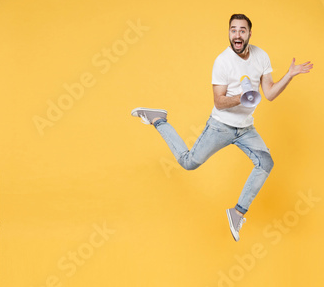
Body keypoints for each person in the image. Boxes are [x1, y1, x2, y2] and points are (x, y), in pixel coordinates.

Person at [131, 14, 313, 241]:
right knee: (188, 163)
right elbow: (219, 101)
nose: (237, 34)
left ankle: (237, 213)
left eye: (242, 30)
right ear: (229, 33)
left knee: (266, 162)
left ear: (249, 34)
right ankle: (159, 120)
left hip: (246, 129)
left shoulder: (261, 56)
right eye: (233, 30)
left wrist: (290, 75)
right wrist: (242, 98)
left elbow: (270, 94)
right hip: (221, 126)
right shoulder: (222, 61)